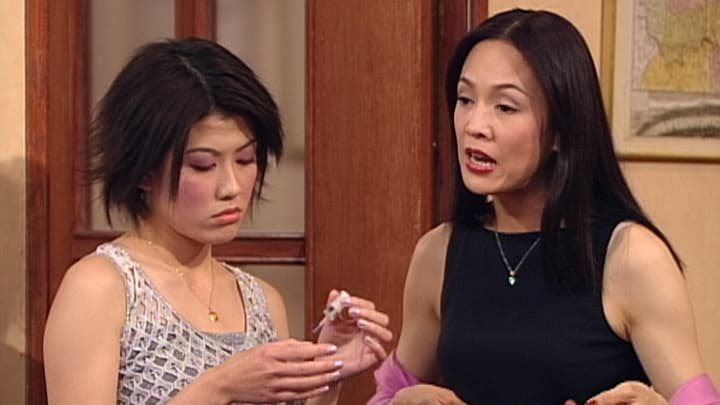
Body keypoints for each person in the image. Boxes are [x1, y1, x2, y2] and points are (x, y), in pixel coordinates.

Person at [369, 8, 720, 405]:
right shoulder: (438, 253)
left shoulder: (631, 256)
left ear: (562, 130)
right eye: (465, 99)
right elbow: (388, 395)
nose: (473, 125)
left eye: (505, 107)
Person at [43, 37, 392, 405]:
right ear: (143, 170)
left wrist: (327, 371)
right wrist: (219, 387)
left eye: (245, 160)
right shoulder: (100, 288)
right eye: (203, 165)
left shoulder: (262, 301)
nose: (231, 187)